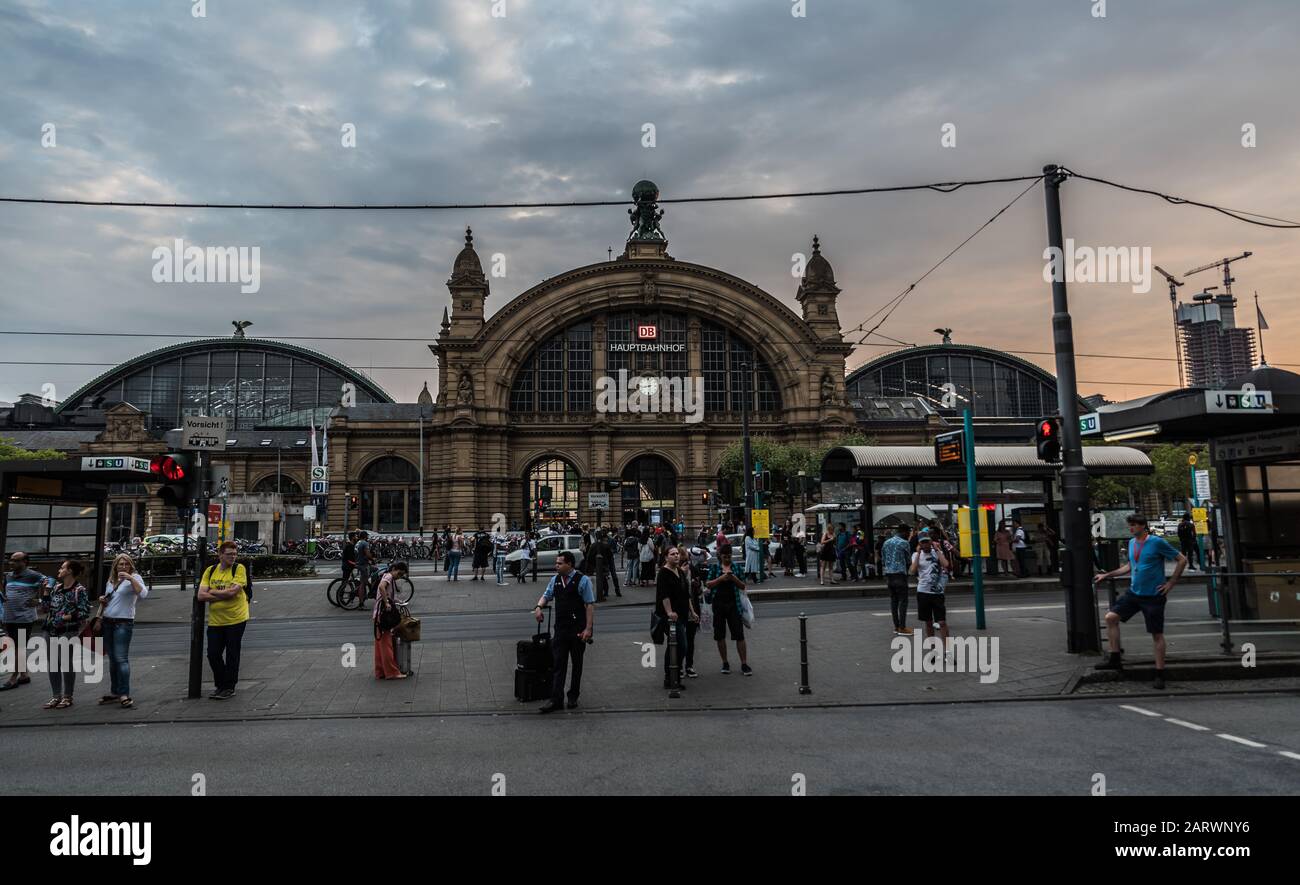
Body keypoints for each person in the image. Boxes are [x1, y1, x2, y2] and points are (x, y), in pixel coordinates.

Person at [1093, 515, 1187, 689]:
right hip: (1134, 592)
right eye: (1130, 525)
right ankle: (1115, 658)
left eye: (1134, 525)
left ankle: (1160, 673)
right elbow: (1129, 566)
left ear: (1143, 526)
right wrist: (1107, 575)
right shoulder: (1131, 543)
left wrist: (1171, 582)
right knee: (1110, 618)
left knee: (1156, 634)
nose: (1131, 528)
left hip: (1153, 595)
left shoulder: (1156, 542)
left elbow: (1182, 559)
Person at [533, 551, 594, 713]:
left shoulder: (583, 580)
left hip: (578, 630)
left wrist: (588, 629)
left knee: (577, 664)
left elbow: (589, 605)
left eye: (560, 563)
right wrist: (539, 607)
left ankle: (573, 695)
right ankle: (556, 699)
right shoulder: (555, 580)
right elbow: (546, 596)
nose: (556, 566)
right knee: (558, 665)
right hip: (560, 629)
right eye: (556, 563)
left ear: (570, 564)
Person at [197, 541, 250, 700]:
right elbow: (200, 596)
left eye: (235, 554)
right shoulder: (210, 570)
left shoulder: (239, 569)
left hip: (236, 618)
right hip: (216, 620)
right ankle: (221, 685)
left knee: (232, 654)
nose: (233, 557)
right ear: (220, 555)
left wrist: (212, 593)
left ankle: (228, 687)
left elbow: (232, 593)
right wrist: (223, 593)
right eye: (229, 554)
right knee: (213, 654)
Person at [99, 553, 149, 708]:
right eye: (120, 564)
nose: (123, 567)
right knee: (113, 660)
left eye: (126, 564)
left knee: (121, 659)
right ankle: (115, 692)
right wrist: (103, 600)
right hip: (108, 621)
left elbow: (143, 594)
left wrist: (130, 578)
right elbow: (113, 599)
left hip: (123, 623)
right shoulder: (111, 580)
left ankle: (124, 694)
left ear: (130, 565)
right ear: (115, 566)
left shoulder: (135, 578)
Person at [39, 559, 89, 710]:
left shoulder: (79, 590)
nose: (59, 570)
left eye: (62, 568)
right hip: (50, 629)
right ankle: (56, 696)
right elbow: (46, 609)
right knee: (53, 663)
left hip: (68, 630)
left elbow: (84, 611)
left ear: (70, 571)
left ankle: (68, 696)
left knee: (66, 663)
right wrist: (46, 591)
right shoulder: (57, 588)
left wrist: (66, 617)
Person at [2, 552, 48, 692]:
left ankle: (13, 677)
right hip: (9, 617)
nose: (12, 563)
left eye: (16, 561)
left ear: (25, 562)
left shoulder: (34, 575)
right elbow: (6, 593)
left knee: (19, 647)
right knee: (15, 646)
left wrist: (40, 600)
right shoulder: (8, 576)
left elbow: (51, 583)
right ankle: (24, 675)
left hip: (24, 618)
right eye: (11, 560)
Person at [705, 547, 751, 675]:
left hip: (734, 605)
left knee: (739, 635)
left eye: (729, 556)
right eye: (725, 556)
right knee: (720, 635)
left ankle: (744, 663)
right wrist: (721, 579)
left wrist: (733, 578)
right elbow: (708, 584)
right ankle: (725, 663)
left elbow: (743, 585)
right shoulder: (715, 568)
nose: (727, 559)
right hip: (718, 605)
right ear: (720, 556)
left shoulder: (736, 568)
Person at [655, 546, 696, 689]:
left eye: (677, 553)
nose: (676, 556)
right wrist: (669, 612)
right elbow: (664, 595)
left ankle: (672, 677)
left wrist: (692, 611)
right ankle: (672, 675)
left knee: (674, 646)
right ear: (666, 557)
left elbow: (686, 594)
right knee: (682, 646)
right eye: (672, 554)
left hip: (683, 614)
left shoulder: (679, 571)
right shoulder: (663, 574)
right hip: (671, 617)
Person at [910, 534, 950, 650]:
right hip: (923, 592)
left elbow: (946, 564)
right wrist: (918, 553)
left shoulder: (937, 552)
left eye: (927, 542)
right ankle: (933, 648)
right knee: (928, 622)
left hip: (937, 593)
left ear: (931, 542)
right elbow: (912, 570)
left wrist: (937, 549)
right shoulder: (916, 555)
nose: (925, 544)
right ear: (919, 544)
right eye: (923, 542)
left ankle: (947, 649)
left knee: (942, 622)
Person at [373, 561, 411, 680]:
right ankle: (391, 672)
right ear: (394, 568)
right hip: (383, 615)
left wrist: (397, 601)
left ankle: (380, 671)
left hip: (378, 614)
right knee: (386, 644)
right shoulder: (389, 576)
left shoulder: (386, 576)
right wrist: (387, 602)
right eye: (399, 573)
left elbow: (387, 593)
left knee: (379, 645)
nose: (399, 576)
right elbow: (381, 587)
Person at [881, 524, 913, 636]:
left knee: (893, 601)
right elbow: (909, 561)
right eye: (908, 532)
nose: (909, 534)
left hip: (889, 575)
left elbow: (883, 560)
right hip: (900, 575)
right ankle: (902, 627)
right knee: (903, 601)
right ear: (904, 531)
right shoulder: (904, 543)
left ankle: (896, 626)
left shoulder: (886, 542)